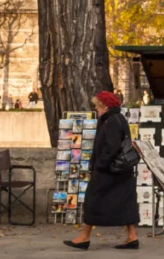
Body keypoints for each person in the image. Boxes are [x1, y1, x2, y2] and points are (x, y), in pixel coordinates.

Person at [64, 91, 139, 250]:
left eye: (97, 106)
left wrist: (99, 165)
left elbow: (111, 147)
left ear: (105, 106)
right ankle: (132, 236)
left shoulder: (110, 121)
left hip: (109, 170)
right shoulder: (119, 118)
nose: (96, 109)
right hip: (121, 171)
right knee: (125, 201)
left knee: (93, 199)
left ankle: (84, 237)